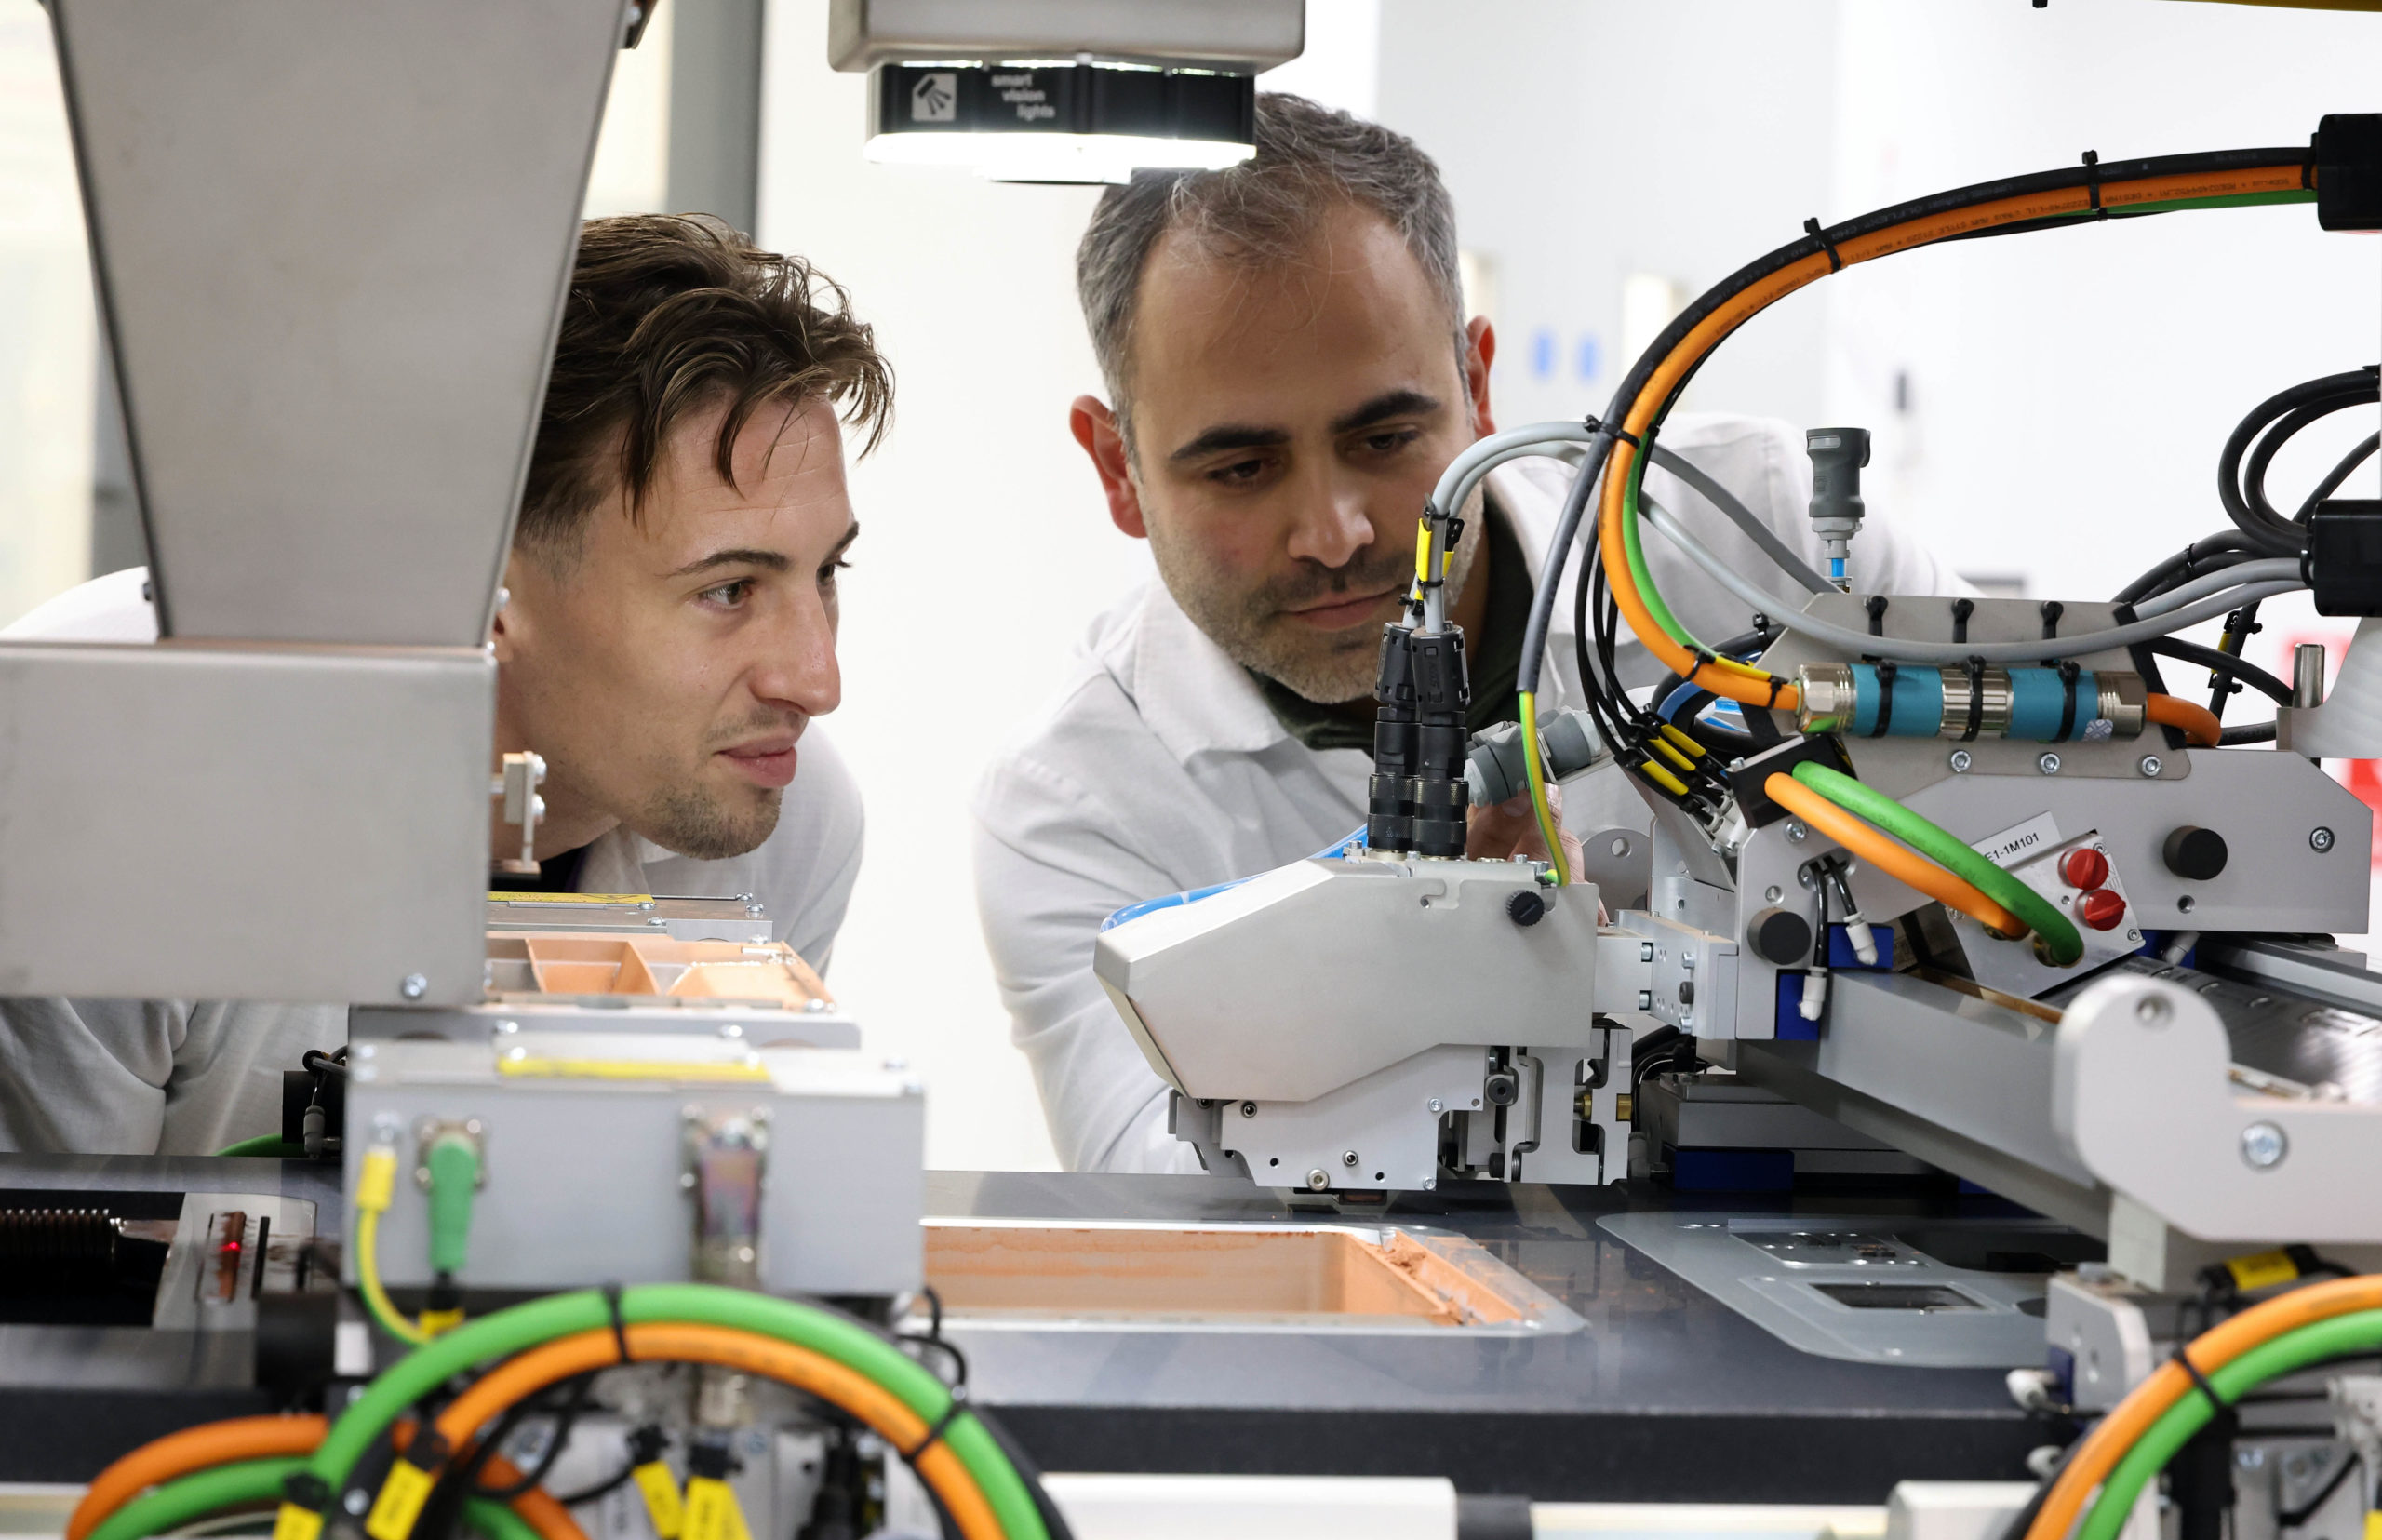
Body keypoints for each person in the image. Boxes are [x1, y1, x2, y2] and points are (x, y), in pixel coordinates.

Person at [971, 95, 1973, 1175]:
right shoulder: (1076, 805)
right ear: (1117, 469)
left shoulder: (1758, 535)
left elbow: (2050, 839)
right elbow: (1167, 1196)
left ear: (1476, 382)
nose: (1334, 532)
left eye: (1386, 435)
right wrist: (1408, 950)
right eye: (1241, 468)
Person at [0, 214, 889, 1153]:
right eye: (728, 589)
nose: (815, 679)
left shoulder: (785, 817)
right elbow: (43, 1268)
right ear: (487, 590)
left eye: (825, 573)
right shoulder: (94, 772)